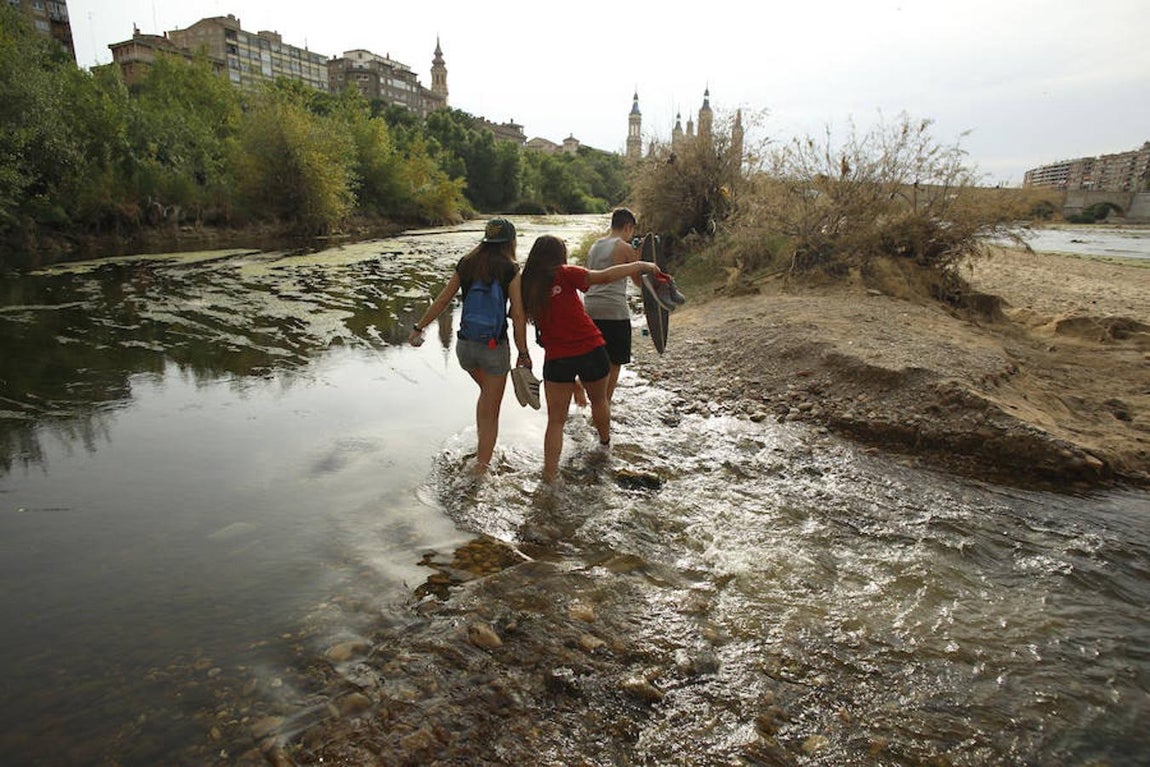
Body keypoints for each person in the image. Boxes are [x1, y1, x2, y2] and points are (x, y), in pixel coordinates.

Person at [519, 234, 662, 484]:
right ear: (558, 255)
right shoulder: (565, 272)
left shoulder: (525, 285)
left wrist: (523, 353)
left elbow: (517, 317)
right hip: (590, 350)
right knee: (599, 401)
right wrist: (641, 265)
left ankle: (549, 476)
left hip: (557, 358)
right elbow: (605, 276)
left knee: (555, 422)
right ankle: (605, 445)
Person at [408, 218, 531, 474]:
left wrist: (419, 328)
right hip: (494, 348)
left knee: (485, 396)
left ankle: (481, 449)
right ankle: (481, 468)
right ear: (510, 242)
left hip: (465, 347)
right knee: (492, 408)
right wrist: (523, 352)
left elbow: (443, 300)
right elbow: (518, 315)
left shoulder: (467, 263)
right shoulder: (510, 268)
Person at [582, 207, 640, 404]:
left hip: (590, 308)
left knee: (595, 359)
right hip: (614, 310)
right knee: (614, 362)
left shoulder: (594, 246)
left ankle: (585, 395)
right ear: (628, 227)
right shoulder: (624, 247)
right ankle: (604, 405)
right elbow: (639, 281)